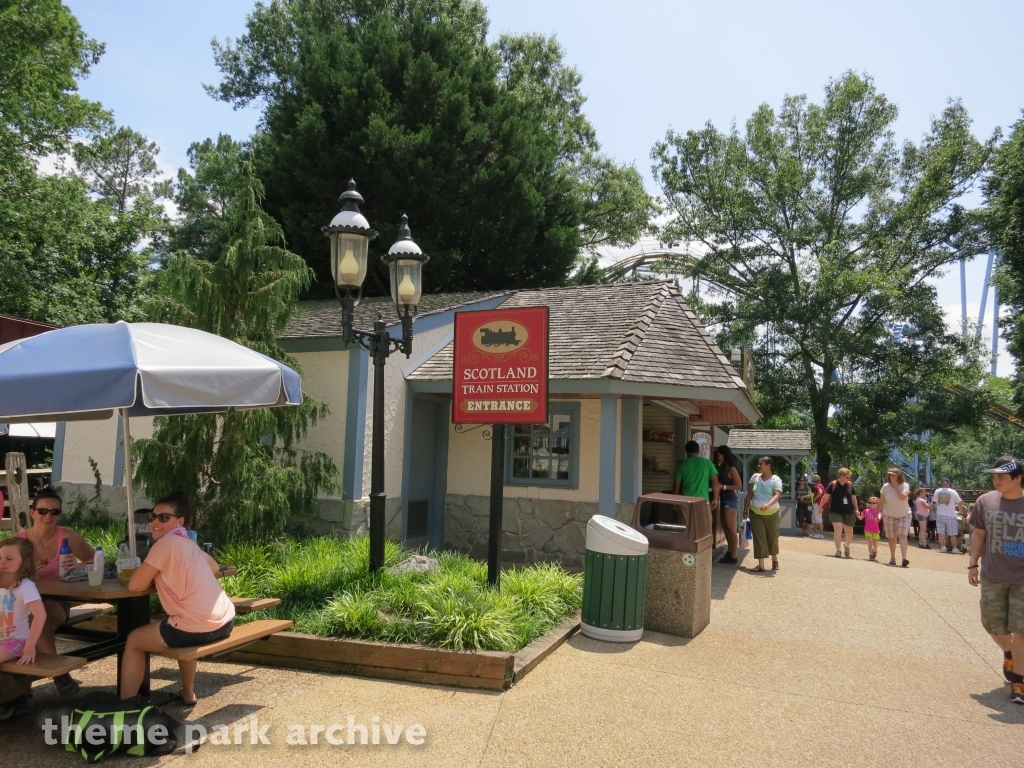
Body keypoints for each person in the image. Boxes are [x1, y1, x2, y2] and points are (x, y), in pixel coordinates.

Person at [119, 492, 235, 705]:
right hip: (225, 622)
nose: (155, 522)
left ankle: (126, 705)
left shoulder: (166, 543)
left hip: (196, 627)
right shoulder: (187, 542)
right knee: (184, 620)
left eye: (163, 518)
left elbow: (135, 585)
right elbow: (215, 567)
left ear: (179, 521)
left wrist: (154, 573)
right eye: (152, 517)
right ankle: (188, 693)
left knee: (134, 640)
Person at [17, 490, 95, 695]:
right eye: (43, 511)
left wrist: (76, 566)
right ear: (32, 513)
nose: (48, 516)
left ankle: (59, 677)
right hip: (21, 602)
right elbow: (3, 575)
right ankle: (20, 688)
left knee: (37, 616)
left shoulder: (67, 536)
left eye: (54, 511)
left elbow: (97, 562)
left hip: (56, 599)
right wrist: (28, 574)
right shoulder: (19, 541)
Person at [967, 456, 1024, 706]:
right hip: (993, 575)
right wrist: (972, 563)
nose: (996, 480)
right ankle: (1008, 652)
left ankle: (1019, 681)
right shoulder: (985, 502)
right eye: (994, 476)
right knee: (993, 626)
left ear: (1018, 478)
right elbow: (979, 533)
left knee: (1021, 632)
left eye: (1002, 476)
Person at [0, 537, 46, 667]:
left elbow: (40, 615)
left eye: (9, 558)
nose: (3, 561)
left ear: (24, 561)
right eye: (0, 557)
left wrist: (30, 646)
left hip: (16, 642)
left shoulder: (26, 586)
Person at [743, 456, 783, 573]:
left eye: (761, 464)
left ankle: (774, 558)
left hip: (772, 513)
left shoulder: (775, 479)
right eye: (758, 464)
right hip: (756, 512)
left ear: (768, 466)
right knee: (759, 537)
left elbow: (777, 494)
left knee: (773, 536)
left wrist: (768, 504)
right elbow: (749, 493)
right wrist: (745, 508)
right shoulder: (755, 477)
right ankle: (761, 565)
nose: (759, 466)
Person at [713, 446, 743, 564]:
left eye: (719, 455)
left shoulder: (731, 469)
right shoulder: (722, 468)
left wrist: (724, 487)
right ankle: (729, 551)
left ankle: (734, 555)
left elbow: (739, 486)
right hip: (723, 500)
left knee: (731, 528)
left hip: (731, 501)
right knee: (725, 527)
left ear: (724, 455)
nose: (717, 457)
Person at [673, 440, 722, 509]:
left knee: (686, 520)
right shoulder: (708, 463)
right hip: (702, 501)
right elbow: (715, 483)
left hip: (685, 501)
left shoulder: (682, 465)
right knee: (704, 520)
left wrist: (674, 501)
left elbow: (676, 486)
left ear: (687, 452)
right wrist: (715, 499)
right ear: (698, 451)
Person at [822, 468, 858, 558]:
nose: (849, 479)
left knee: (849, 532)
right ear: (841, 476)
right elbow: (825, 497)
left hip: (848, 510)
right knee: (838, 529)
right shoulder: (833, 485)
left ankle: (847, 545)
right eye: (847, 477)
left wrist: (856, 509)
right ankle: (838, 550)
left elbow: (853, 497)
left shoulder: (850, 485)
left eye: (849, 477)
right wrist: (820, 507)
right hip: (835, 510)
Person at [880, 468, 911, 567]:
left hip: (904, 514)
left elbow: (903, 497)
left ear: (899, 476)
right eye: (890, 475)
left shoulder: (905, 485)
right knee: (892, 537)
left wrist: (896, 487)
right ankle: (893, 557)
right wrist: (877, 513)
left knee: (902, 535)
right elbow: (881, 502)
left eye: (894, 475)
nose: (892, 477)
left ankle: (904, 558)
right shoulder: (885, 487)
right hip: (889, 514)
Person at [934, 478, 963, 553]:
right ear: (949, 483)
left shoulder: (937, 491)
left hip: (940, 513)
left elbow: (934, 501)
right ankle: (954, 548)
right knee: (953, 532)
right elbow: (959, 503)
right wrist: (961, 511)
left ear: (942, 483)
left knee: (941, 532)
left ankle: (943, 547)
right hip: (950, 514)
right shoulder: (953, 492)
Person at [859, 497, 882, 561]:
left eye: (874, 503)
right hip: (868, 529)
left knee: (875, 543)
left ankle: (874, 551)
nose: (872, 504)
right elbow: (861, 518)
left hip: (875, 530)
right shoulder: (866, 511)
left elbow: (879, 517)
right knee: (870, 542)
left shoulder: (877, 511)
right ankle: (871, 555)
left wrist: (878, 518)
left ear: (877, 504)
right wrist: (858, 515)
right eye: (870, 502)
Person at [811, 473, 826, 539]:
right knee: (815, 518)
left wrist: (815, 499)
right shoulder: (820, 485)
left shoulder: (818, 486)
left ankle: (820, 534)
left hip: (818, 503)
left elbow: (820, 492)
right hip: (819, 503)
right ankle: (815, 533)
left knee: (818, 518)